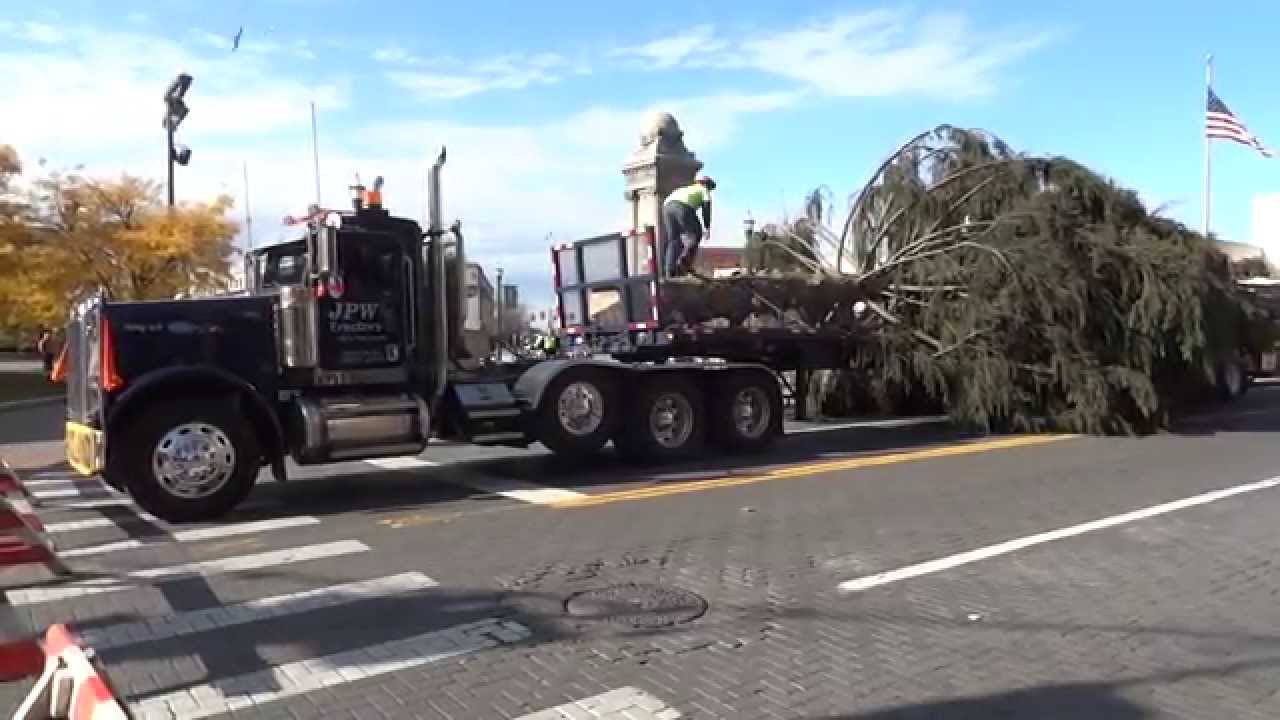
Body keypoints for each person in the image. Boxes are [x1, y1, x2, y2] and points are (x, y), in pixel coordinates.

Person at [661, 175, 715, 277]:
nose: (710, 190)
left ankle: (669, 271)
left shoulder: (686, 189)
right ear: (707, 185)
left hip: (667, 207)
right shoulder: (704, 190)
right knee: (696, 233)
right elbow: (706, 208)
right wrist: (707, 227)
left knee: (673, 240)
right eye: (710, 188)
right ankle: (684, 262)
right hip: (683, 207)